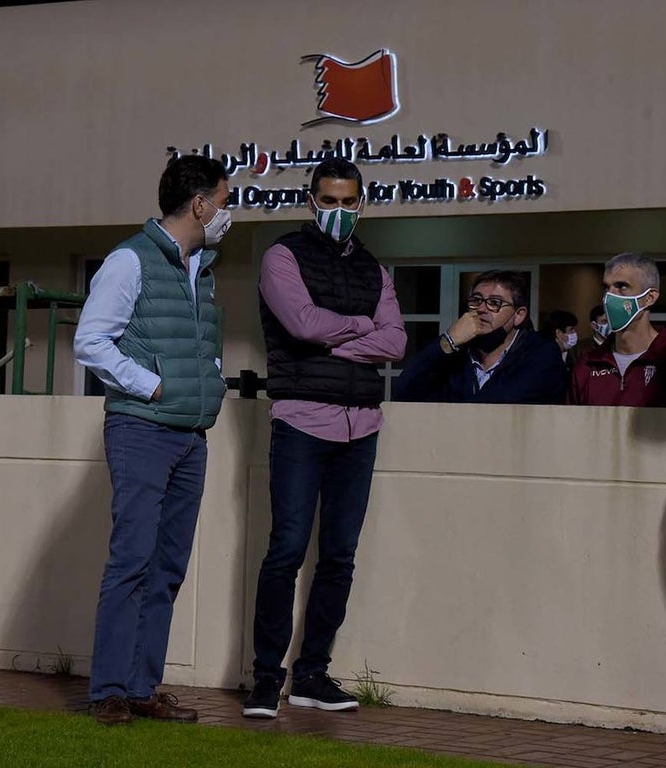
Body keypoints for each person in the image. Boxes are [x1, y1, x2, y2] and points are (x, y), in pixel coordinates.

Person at [244, 158, 406, 719]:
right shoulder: (281, 256)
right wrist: (362, 327)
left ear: (363, 203)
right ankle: (266, 679)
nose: (340, 211)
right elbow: (302, 326)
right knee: (286, 551)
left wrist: (338, 335)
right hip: (300, 422)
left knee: (339, 556)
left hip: (361, 424)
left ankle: (312, 674)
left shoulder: (373, 267)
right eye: (329, 201)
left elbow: (396, 343)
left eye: (349, 202)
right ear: (311, 200)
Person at [74, 155, 232, 726]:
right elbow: (92, 342)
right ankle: (109, 691)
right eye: (224, 199)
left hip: (191, 436)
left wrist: (207, 381)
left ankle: (142, 687)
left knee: (167, 565)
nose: (226, 212)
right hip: (142, 429)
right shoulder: (129, 261)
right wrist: (155, 386)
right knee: (132, 561)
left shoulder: (202, 270)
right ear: (199, 204)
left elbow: (203, 347)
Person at [393, 270, 566, 404]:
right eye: (476, 301)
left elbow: (506, 401)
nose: (481, 309)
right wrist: (447, 342)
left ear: (518, 315)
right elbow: (402, 391)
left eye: (494, 303)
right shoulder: (456, 354)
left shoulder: (542, 353)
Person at [569, 253, 666, 407]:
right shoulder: (587, 365)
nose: (609, 297)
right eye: (606, 288)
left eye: (622, 286)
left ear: (650, 297)